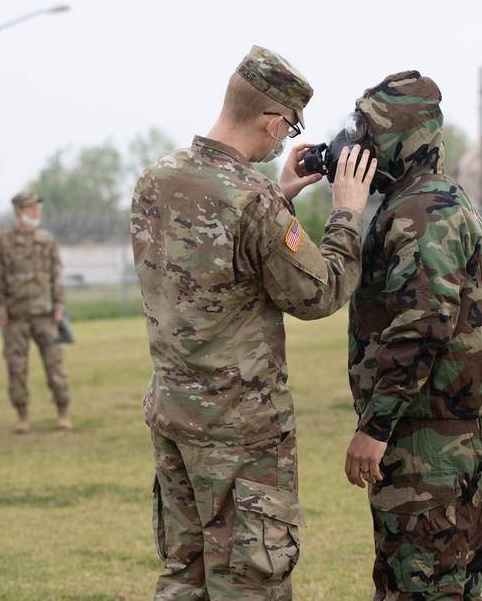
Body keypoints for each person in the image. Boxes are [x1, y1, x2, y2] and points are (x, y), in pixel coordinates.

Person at [130, 44, 377, 600]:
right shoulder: (252, 199)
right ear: (272, 120)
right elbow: (320, 291)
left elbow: (215, 255)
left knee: (184, 575)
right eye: (289, 128)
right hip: (240, 426)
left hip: (174, 410)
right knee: (248, 582)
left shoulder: (159, 178)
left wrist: (282, 192)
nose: (285, 140)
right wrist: (347, 211)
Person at [341, 71, 482, 600]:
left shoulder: (421, 209)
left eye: (369, 131)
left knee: (422, 585)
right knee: (449, 582)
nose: (357, 143)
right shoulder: (422, 199)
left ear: (403, 139)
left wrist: (376, 425)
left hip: (428, 436)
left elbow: (423, 324)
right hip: (438, 429)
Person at [0, 190, 71, 433]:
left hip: (45, 314)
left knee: (55, 365)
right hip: (16, 316)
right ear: (19, 211)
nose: (36, 213)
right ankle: (22, 416)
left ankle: (63, 412)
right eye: (31, 208)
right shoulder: (3, 242)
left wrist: (59, 306)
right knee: (16, 368)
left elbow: (57, 273)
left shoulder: (46, 240)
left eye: (38, 208)